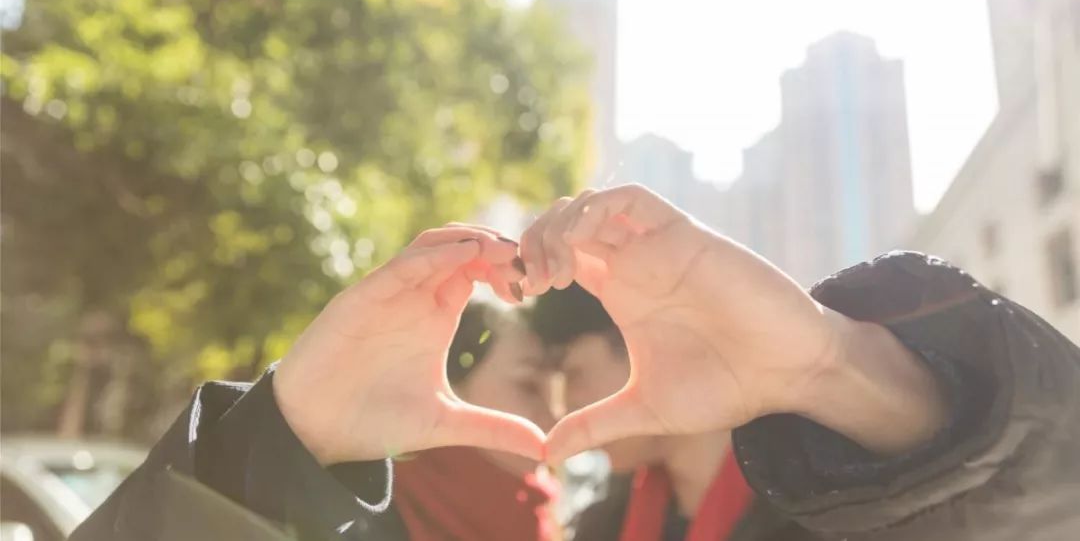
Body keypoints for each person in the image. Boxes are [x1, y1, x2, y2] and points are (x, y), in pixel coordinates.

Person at [70, 185, 1080, 540]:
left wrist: (836, 369)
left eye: (559, 377)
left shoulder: (837, 508)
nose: (550, 418)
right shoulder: (600, 527)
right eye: (530, 382)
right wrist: (279, 447)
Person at [532, 283, 765, 540]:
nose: (565, 408)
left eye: (575, 374)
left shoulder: (804, 505)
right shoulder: (605, 525)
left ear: (646, 349)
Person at [393, 301, 560, 541]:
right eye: (529, 386)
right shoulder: (369, 502)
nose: (554, 416)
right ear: (450, 388)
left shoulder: (535, 513)